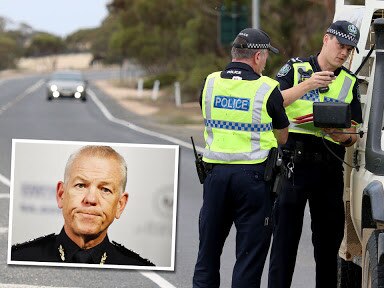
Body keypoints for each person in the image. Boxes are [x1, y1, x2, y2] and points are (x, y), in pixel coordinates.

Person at [268, 20, 363, 287]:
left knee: (327, 246)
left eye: (349, 49)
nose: (344, 53)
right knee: (284, 244)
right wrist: (307, 86)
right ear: (326, 39)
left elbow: (354, 134)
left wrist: (339, 134)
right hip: (293, 165)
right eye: (340, 45)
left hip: (328, 166)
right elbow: (272, 103)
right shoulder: (296, 68)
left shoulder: (349, 81)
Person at [193, 28, 289, 288]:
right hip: (254, 180)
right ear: (258, 56)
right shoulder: (267, 88)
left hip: (215, 178)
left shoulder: (210, 82)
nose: (266, 62)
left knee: (207, 256)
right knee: (248, 259)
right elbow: (282, 136)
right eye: (266, 56)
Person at [11, 145, 154, 266]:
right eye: (81, 185)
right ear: (61, 195)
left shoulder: (141, 270)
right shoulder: (18, 258)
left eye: (105, 189)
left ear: (120, 205)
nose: (90, 199)